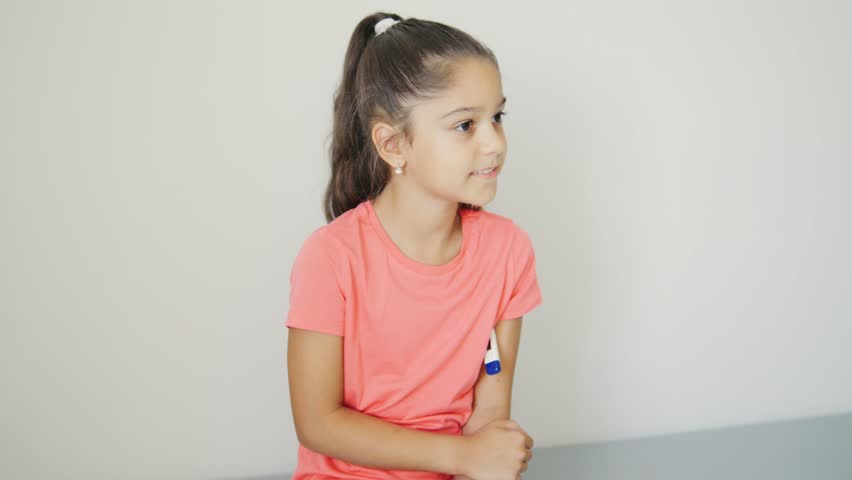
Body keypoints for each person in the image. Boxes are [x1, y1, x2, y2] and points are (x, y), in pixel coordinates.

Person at [285, 11, 543, 480]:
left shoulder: (509, 252)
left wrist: (484, 458)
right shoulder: (330, 258)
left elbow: (489, 408)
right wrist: (464, 457)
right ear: (393, 145)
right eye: (465, 125)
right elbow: (318, 423)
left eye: (497, 117)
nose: (494, 144)